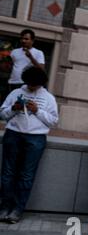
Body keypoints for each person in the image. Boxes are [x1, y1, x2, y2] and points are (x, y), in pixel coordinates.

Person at [0, 66, 58, 224]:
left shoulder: (48, 98)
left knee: (26, 175)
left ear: (41, 83)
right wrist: (13, 108)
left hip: (36, 138)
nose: (31, 87)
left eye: (35, 85)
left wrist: (37, 110)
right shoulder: (16, 93)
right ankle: (4, 207)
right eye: (29, 84)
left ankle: (17, 210)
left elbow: (53, 121)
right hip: (13, 134)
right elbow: (3, 114)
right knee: (7, 173)